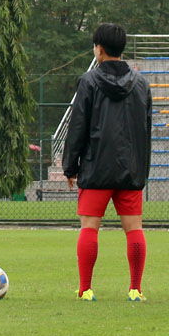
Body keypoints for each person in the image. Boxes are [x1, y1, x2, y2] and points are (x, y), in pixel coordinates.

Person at [62, 23, 152, 302]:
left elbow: (77, 127)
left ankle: (86, 289)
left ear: (99, 49)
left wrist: (70, 166)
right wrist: (141, 169)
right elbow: (146, 130)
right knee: (134, 228)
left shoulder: (88, 81)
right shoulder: (141, 83)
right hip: (130, 169)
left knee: (89, 227)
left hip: (95, 166)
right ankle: (135, 289)